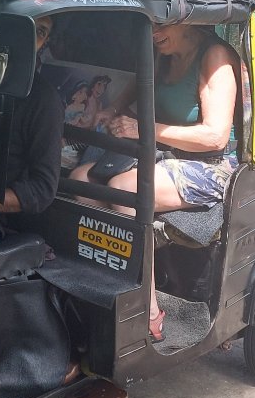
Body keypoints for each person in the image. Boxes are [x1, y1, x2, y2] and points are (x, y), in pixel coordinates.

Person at [72, 20, 239, 341]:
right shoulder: (162, 52)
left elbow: (215, 136)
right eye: (150, 25)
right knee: (82, 179)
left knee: (124, 189)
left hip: (210, 165)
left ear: (187, 20)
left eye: (161, 24)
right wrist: (113, 110)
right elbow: (141, 83)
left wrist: (144, 129)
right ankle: (110, 283)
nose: (153, 33)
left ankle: (146, 308)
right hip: (162, 152)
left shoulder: (214, 56)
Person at [0, 16, 64, 239]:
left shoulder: (44, 100)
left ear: (44, 43)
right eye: (22, 23)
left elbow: (42, 189)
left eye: (39, 31)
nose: (28, 36)